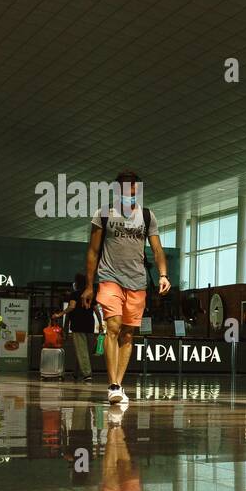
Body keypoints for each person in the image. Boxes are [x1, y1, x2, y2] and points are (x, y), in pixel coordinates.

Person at [81, 171, 170, 406]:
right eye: (126, 191)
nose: (131, 196)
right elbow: (92, 251)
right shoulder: (103, 214)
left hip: (137, 282)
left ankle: (119, 384)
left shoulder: (148, 216)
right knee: (113, 326)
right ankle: (112, 385)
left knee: (128, 334)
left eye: (134, 192)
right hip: (110, 278)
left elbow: (158, 250)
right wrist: (89, 285)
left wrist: (163, 275)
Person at [53, 272, 98, 381]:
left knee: (81, 350)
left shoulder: (75, 294)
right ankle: (76, 373)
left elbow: (71, 307)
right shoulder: (91, 294)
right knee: (84, 350)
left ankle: (87, 374)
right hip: (90, 325)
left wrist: (59, 314)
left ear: (77, 283)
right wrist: (101, 324)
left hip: (78, 325)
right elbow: (97, 311)